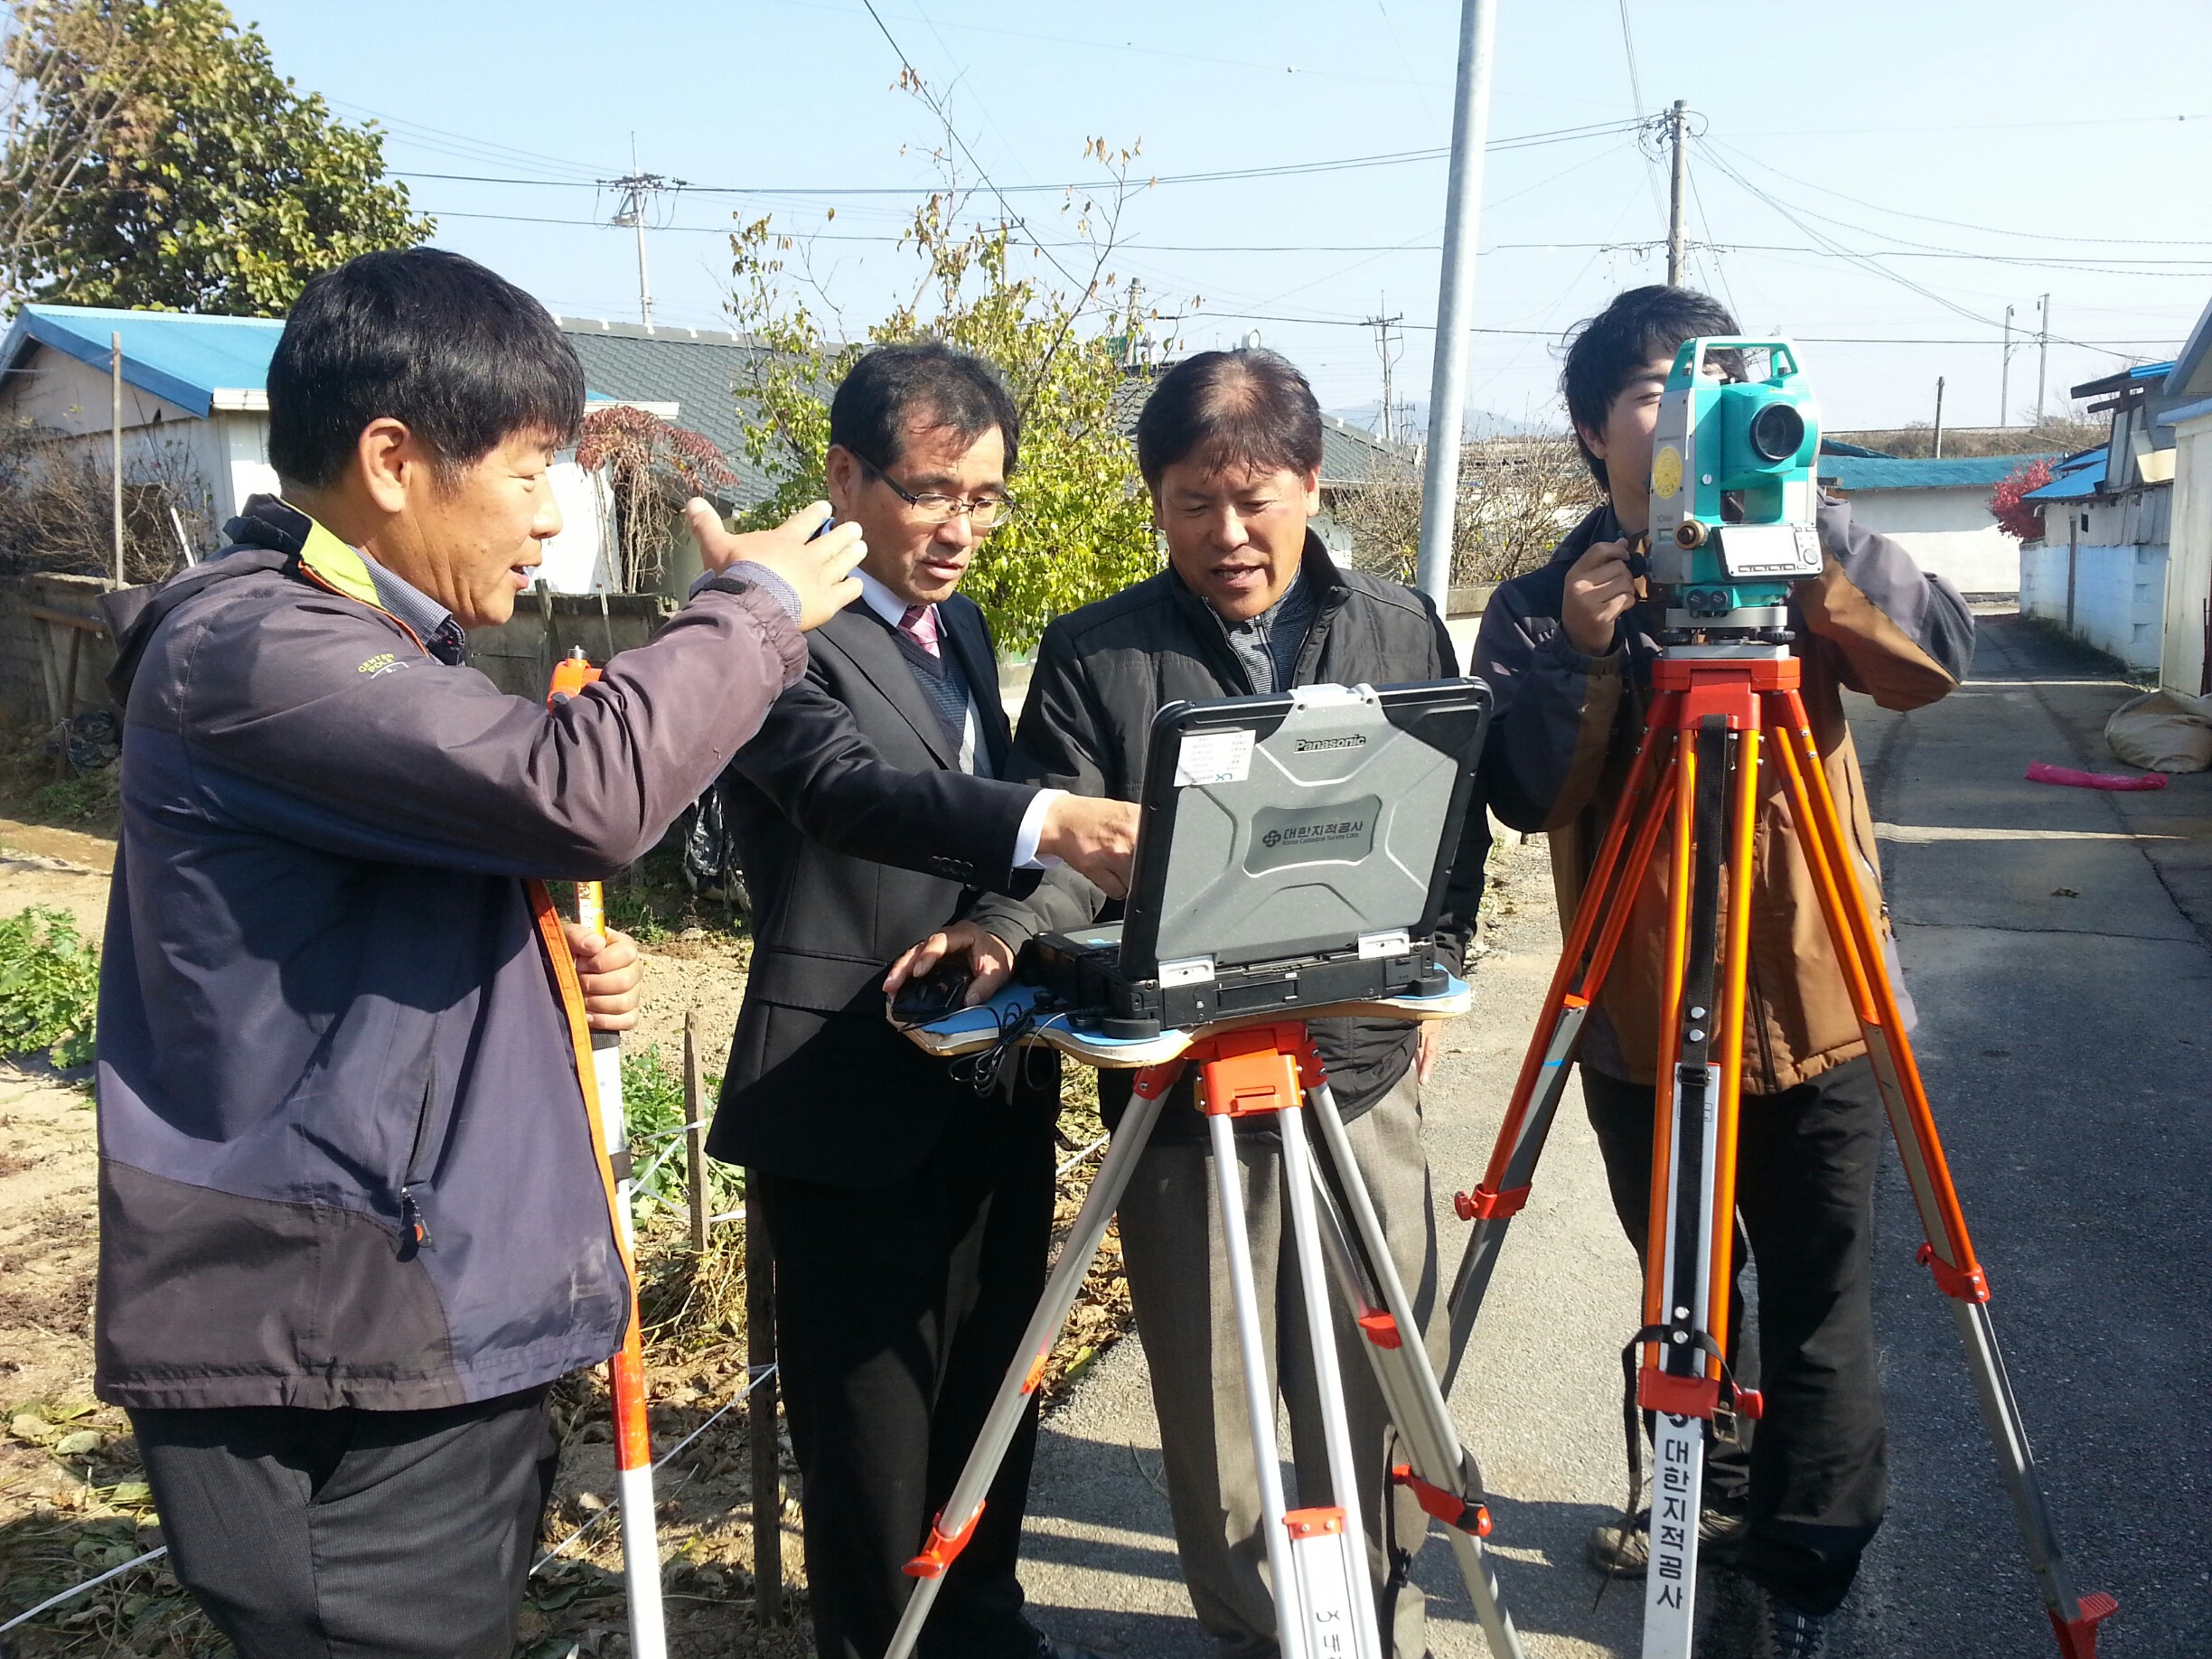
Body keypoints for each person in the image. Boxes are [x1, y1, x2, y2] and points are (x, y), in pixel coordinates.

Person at [93, 248, 866, 1659]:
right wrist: (753, 609)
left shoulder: (368, 639)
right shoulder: (262, 648)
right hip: (333, 1346)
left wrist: (534, 989)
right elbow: (579, 793)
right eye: (525, 471)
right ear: (393, 459)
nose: (553, 516)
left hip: (408, 1318)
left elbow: (344, 945)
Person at [895, 347, 1485, 1659]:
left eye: (1258, 499)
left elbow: (1452, 834)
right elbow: (1057, 860)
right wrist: (997, 933)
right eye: (1192, 505)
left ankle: (1366, 1626)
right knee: (1215, 1411)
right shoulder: (1100, 653)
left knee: (1379, 1387)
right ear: (1156, 504)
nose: (1229, 535)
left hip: (1355, 1073)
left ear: (1312, 486)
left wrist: (1433, 974)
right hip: (1179, 1093)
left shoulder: (1395, 625)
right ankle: (1255, 1634)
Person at [1469, 285, 1974, 1659]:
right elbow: (1521, 790)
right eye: (1648, 393)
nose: (1684, 415)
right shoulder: (1542, 601)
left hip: (1816, 1011)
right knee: (1682, 1293)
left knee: (1819, 1296)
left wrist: (1808, 558)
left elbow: (1936, 663)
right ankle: (1701, 1509)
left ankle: (1810, 1567)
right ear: (1592, 432)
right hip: (1640, 1023)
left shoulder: (1812, 540)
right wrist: (1583, 654)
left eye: (1705, 386)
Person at [699, 341, 1131, 1659]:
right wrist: (1046, 816)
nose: (960, 530)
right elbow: (844, 792)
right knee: (871, 1444)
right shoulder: (768, 628)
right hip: (842, 1088)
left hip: (988, 1076)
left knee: (995, 1394)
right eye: (933, 491)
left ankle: (985, 1626)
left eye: (985, 499)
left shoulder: (962, 631)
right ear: (845, 475)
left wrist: (1003, 925)